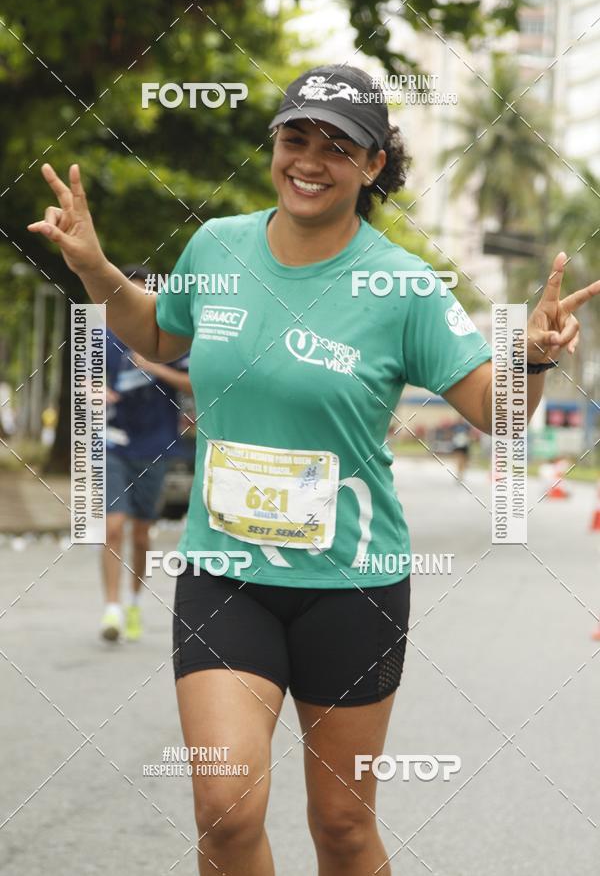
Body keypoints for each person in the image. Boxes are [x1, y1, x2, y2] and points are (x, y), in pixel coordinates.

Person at [27, 62, 600, 876]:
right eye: (296, 137)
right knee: (225, 813)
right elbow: (159, 335)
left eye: (339, 146)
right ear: (274, 146)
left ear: (373, 166)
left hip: (353, 584)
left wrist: (532, 358)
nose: (310, 159)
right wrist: (94, 266)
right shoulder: (216, 246)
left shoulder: (401, 284)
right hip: (227, 574)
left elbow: (493, 408)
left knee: (341, 825)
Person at [101, 265, 192, 642]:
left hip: (155, 445)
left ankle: (135, 601)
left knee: (140, 535)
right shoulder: (103, 337)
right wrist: (95, 392)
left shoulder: (169, 338)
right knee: (113, 527)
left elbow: (194, 381)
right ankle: (112, 609)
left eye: (144, 296)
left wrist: (155, 367)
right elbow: (85, 381)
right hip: (112, 442)